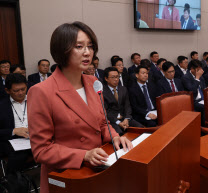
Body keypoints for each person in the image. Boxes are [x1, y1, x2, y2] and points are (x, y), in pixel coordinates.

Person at [27, 22, 132, 193]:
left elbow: (102, 123)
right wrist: (83, 155)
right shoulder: (41, 91)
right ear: (62, 50)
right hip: (68, 176)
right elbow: (41, 150)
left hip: (98, 168)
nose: (87, 52)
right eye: (79, 46)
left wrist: (115, 137)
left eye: (90, 46)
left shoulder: (93, 83)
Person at [0, 73, 33, 174]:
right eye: (16, 91)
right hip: (13, 141)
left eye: (23, 89)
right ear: (7, 90)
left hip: (36, 137)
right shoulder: (2, 106)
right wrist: (14, 131)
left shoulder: (36, 100)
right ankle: (15, 184)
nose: (20, 93)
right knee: (17, 158)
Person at [103, 67, 143, 136]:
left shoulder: (123, 89)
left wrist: (126, 119)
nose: (116, 79)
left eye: (117, 77)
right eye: (113, 77)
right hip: (113, 121)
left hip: (125, 118)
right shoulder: (102, 92)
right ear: (106, 79)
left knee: (141, 129)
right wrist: (119, 122)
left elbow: (127, 106)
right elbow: (106, 112)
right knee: (120, 134)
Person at [181, 59, 206, 126]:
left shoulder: (201, 76)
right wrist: (197, 78)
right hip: (193, 101)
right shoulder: (186, 77)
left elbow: (204, 88)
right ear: (192, 69)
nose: (200, 71)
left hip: (203, 99)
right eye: (198, 69)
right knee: (205, 107)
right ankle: (203, 128)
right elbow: (192, 90)